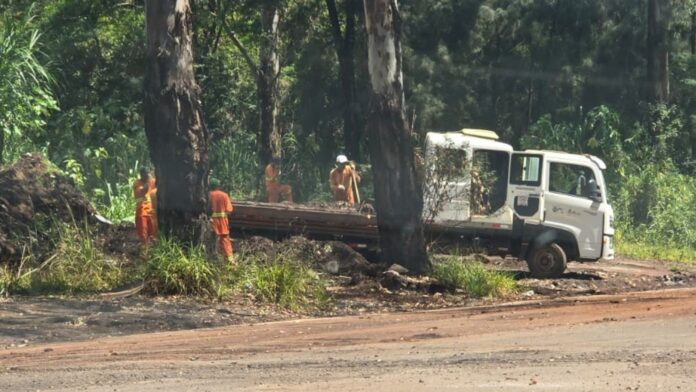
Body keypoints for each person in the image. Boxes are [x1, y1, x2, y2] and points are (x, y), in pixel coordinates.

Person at [209, 178, 235, 264]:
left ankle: (214, 261)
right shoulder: (224, 195)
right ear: (218, 186)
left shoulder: (208, 195)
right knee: (225, 243)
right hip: (223, 223)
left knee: (212, 241)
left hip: (211, 223)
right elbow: (229, 210)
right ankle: (231, 262)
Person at [133, 166, 157, 246]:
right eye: (143, 174)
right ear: (141, 175)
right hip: (142, 213)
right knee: (143, 237)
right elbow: (141, 191)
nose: (146, 176)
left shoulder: (152, 181)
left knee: (153, 236)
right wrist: (146, 186)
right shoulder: (137, 183)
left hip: (152, 213)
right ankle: (144, 254)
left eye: (147, 174)